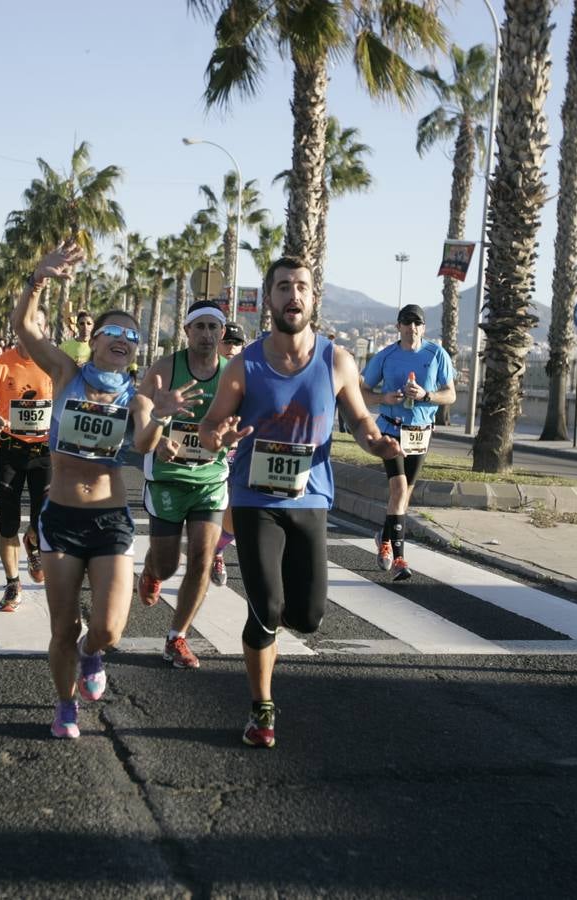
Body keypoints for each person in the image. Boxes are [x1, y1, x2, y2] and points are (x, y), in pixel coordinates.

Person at [199, 256, 401, 749]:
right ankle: (261, 707)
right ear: (268, 300)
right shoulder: (244, 365)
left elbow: (358, 419)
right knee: (266, 605)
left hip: (310, 500)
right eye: (283, 287)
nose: (293, 295)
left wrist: (375, 442)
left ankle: (269, 637)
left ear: (313, 299)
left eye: (302, 287)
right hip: (254, 499)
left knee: (308, 617)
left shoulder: (337, 360)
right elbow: (208, 430)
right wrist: (217, 435)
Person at [14, 239, 200, 740]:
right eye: (114, 331)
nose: (123, 338)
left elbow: (142, 439)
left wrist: (159, 419)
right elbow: (24, 328)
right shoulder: (66, 373)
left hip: (110, 519)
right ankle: (63, 703)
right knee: (61, 628)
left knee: (109, 629)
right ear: (94, 339)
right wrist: (39, 278)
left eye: (132, 336)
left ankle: (92, 655)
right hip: (60, 518)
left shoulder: (138, 396)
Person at [136, 300, 232, 670]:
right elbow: (141, 411)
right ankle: (151, 570)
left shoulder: (231, 373)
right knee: (167, 564)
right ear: (187, 331)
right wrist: (158, 438)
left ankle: (177, 637)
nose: (207, 334)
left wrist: (229, 438)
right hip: (167, 479)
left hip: (209, 478)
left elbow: (242, 417)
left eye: (213, 327)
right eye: (200, 327)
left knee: (202, 559)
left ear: (222, 333)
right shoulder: (165, 368)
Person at [361, 304, 457, 580]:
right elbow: (363, 392)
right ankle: (400, 558)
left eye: (417, 323)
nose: (411, 327)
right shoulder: (386, 356)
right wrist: (384, 399)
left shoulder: (436, 354)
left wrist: (426, 395)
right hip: (392, 430)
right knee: (399, 489)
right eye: (406, 322)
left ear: (423, 328)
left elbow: (450, 395)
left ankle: (385, 537)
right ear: (398, 327)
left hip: (420, 433)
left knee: (403, 496)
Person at [0, 309, 52, 611]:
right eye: (26, 326)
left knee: (43, 523)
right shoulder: (0, 365)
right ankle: (12, 582)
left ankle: (32, 541)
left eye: (38, 326)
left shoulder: (56, 364)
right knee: (8, 522)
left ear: (45, 329)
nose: (31, 332)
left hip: (45, 454)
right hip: (9, 451)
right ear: (18, 330)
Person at [209, 320, 246, 585]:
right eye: (227, 342)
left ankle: (217, 551)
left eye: (236, 343)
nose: (231, 347)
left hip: (237, 452)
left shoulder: (250, 375)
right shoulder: (204, 372)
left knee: (234, 517)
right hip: (205, 454)